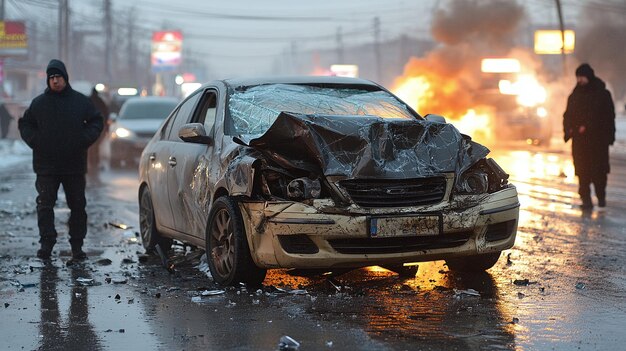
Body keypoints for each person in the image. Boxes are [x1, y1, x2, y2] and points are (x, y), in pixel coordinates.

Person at [18, 59, 103, 260]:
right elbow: (25, 124)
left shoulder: (80, 102)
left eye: (58, 77)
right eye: (52, 78)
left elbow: (96, 121)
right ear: (48, 80)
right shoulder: (39, 104)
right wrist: (36, 141)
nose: (55, 81)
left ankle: (77, 246)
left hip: (73, 164)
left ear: (65, 78)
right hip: (46, 166)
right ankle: (46, 244)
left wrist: (83, 139)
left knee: (77, 206)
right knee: (45, 205)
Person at [563, 63, 615, 210]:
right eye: (578, 77)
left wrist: (608, 135)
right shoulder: (575, 95)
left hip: (598, 141)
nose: (579, 80)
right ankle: (586, 199)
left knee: (599, 171)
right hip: (580, 143)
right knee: (582, 171)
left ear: (588, 76)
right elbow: (567, 115)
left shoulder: (602, 94)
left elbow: (608, 117)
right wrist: (569, 130)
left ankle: (601, 196)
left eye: (581, 77)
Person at [87, 87, 109, 175]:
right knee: (96, 145)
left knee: (90, 145)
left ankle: (91, 161)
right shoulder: (100, 101)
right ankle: (95, 161)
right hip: (99, 127)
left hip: (89, 126)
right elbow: (106, 113)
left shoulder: (88, 100)